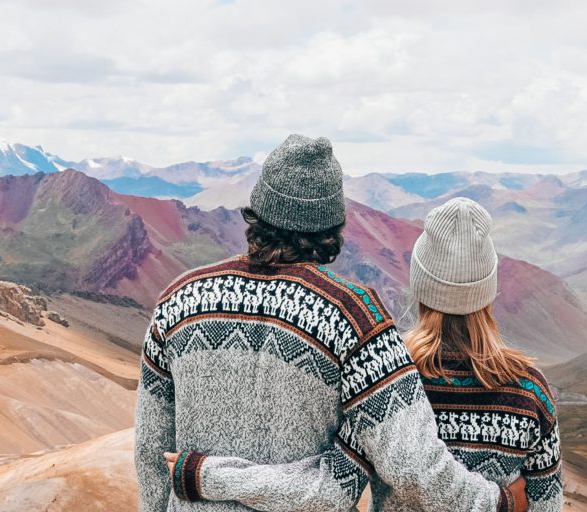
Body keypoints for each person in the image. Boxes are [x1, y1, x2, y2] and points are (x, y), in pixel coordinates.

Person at [135, 134, 527, 511]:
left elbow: (151, 454)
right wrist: (497, 502)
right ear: (333, 226)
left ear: (258, 212)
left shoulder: (178, 300)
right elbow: (412, 466)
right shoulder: (354, 317)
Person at [403, 198, 563, 512]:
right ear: (487, 291)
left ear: (420, 286)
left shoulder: (391, 380)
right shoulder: (529, 392)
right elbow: (548, 505)